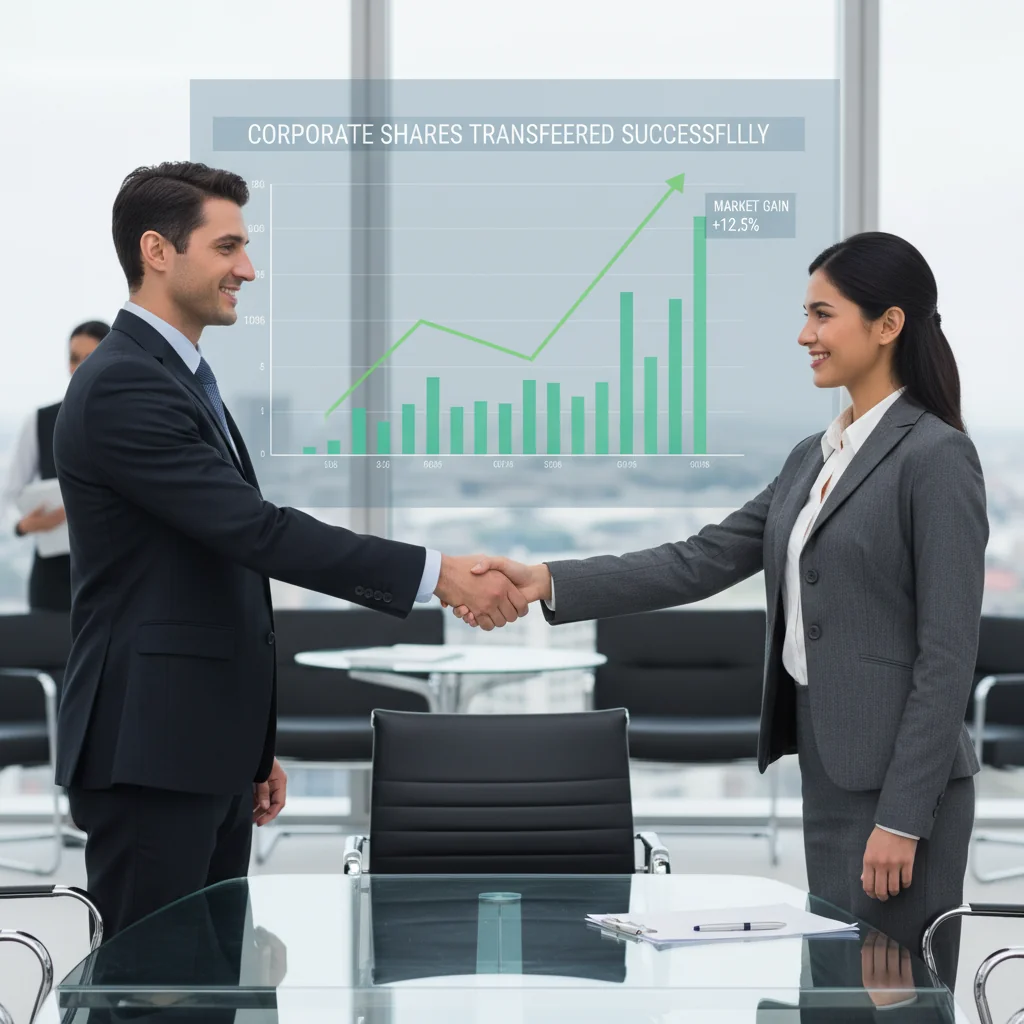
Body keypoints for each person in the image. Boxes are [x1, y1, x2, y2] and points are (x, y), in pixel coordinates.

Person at [455, 232, 987, 991]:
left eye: (822, 314)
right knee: (836, 993)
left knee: (895, 998)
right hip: (833, 771)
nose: (804, 334)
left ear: (888, 324)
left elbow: (947, 655)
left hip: (905, 789)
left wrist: (904, 819)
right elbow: (700, 558)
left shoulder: (935, 457)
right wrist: (544, 579)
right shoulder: (816, 455)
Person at [54, 161, 529, 939]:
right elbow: (257, 531)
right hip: (148, 754)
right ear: (157, 251)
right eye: (228, 245)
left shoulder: (176, 378)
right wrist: (435, 573)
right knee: (151, 994)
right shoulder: (124, 386)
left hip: (188, 746)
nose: (248, 267)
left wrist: (245, 747)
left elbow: (212, 572)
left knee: (209, 987)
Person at [2, 320, 108, 611]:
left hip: (109, 573)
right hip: (52, 577)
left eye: (90, 359)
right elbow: (9, 493)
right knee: (48, 653)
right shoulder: (40, 420)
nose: (78, 367)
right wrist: (24, 525)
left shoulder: (127, 423)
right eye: (74, 358)